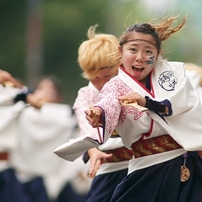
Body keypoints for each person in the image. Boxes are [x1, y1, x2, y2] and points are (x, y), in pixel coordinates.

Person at [83, 15, 202, 201]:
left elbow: (181, 102)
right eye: (133, 50)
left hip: (183, 161)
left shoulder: (174, 74)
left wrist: (147, 102)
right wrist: (99, 113)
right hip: (145, 165)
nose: (140, 57)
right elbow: (108, 103)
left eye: (148, 51)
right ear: (120, 51)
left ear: (158, 54)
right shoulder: (115, 85)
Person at [72, 25, 134, 202]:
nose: (101, 83)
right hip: (108, 167)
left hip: (139, 163)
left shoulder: (131, 86)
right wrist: (92, 151)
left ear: (119, 66)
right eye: (94, 79)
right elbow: (86, 130)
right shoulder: (85, 94)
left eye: (107, 76)